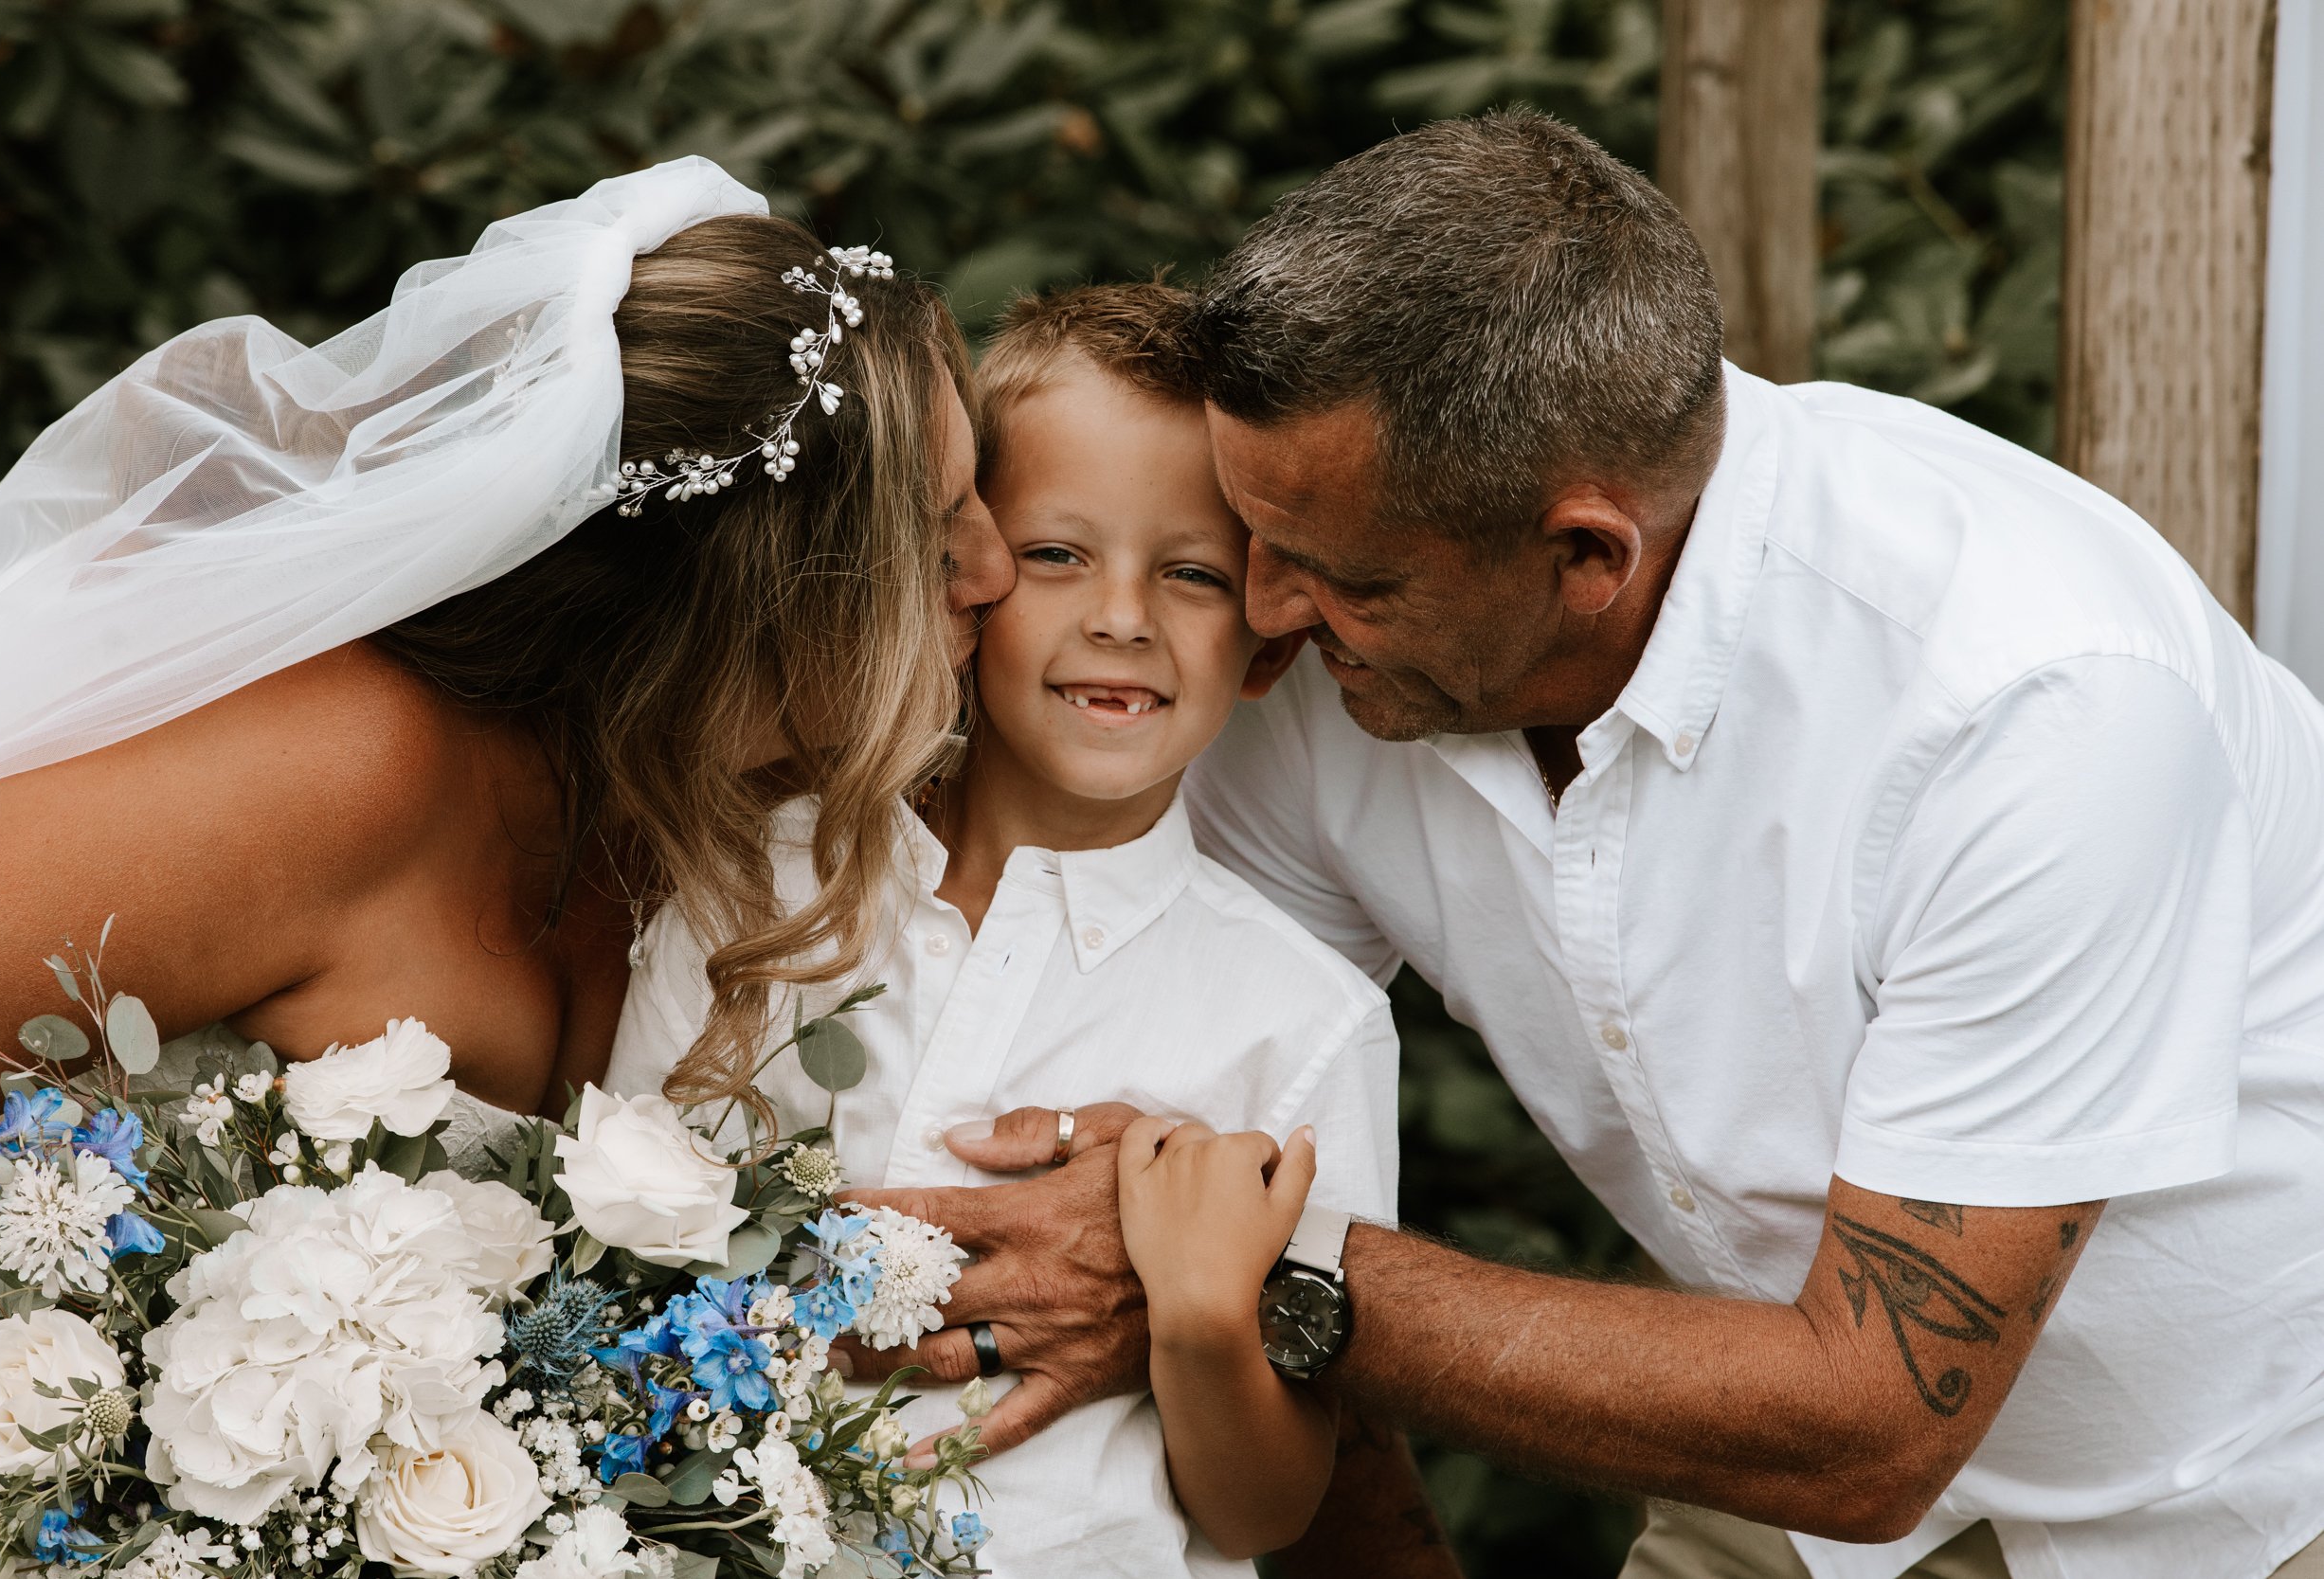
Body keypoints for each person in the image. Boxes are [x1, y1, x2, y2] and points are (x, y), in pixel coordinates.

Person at [847, 112, 2324, 1579]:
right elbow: (1191, 1084)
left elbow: (1869, 1418)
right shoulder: (1320, 635)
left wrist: (1231, 1260)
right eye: (1251, 541)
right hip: (1787, 1487)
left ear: (1584, 558)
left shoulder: (2030, 707)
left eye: (1338, 578)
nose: (1266, 616)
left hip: (2231, 1483)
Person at [606, 284, 1429, 1576]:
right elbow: (614, 1247)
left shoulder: (1306, 1017)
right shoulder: (753, 884)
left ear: (1265, 644)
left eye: (1193, 572)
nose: (1122, 615)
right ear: (971, 574)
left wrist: (1204, 1320)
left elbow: (1269, 1507)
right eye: (1058, 553)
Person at [0, 158, 1011, 1121]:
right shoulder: (339, 771)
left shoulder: (710, 810)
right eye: (927, 541)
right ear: (734, 605)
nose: (996, 572)